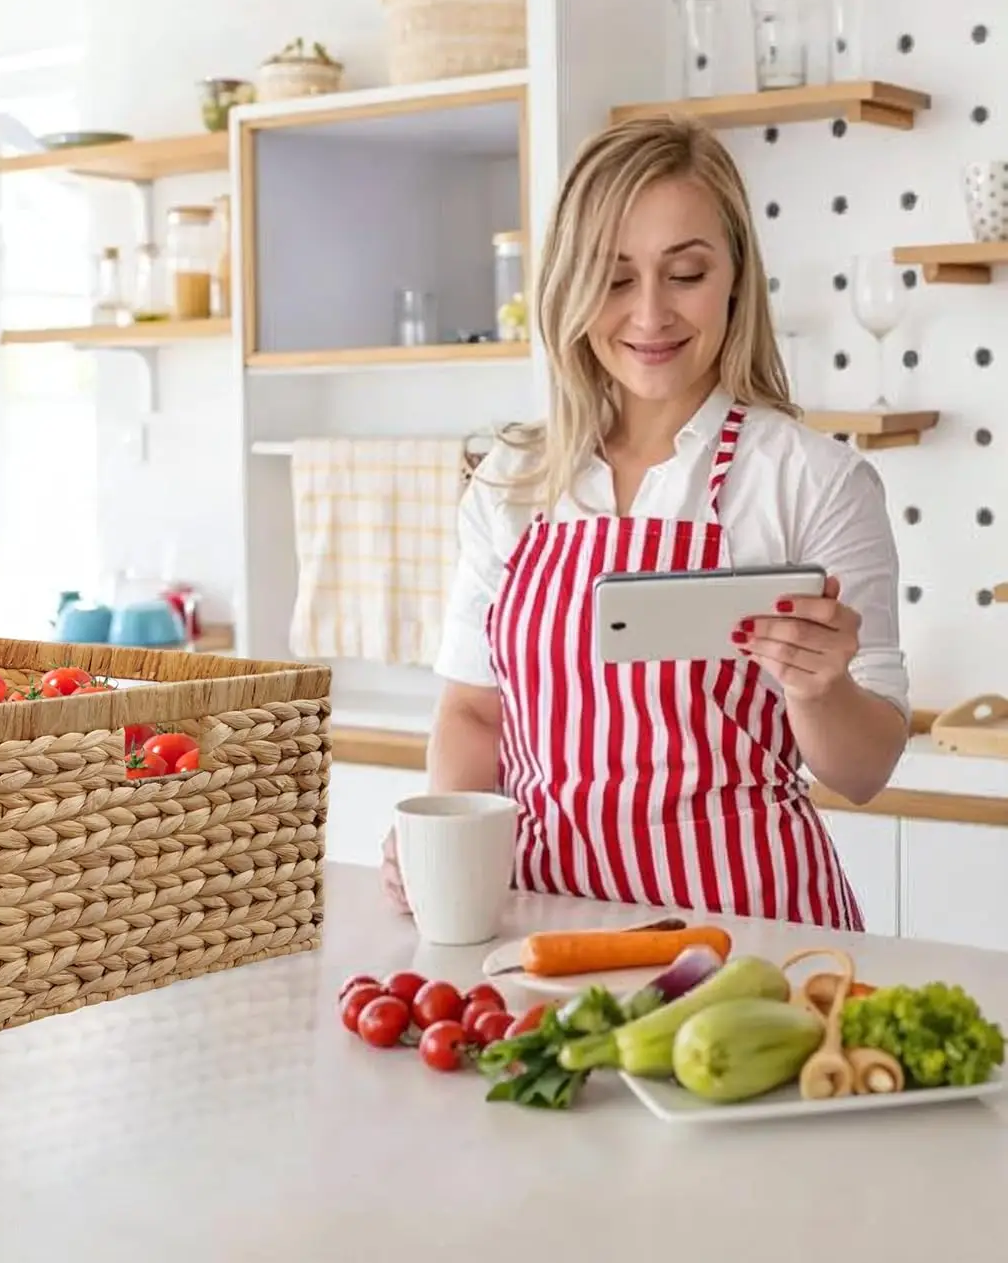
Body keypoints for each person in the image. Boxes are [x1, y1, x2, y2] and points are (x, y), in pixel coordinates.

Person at [383, 115, 908, 932]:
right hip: (539, 932)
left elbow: (864, 768)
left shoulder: (813, 480)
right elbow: (474, 712)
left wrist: (822, 686)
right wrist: (447, 844)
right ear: (570, 285)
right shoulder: (512, 480)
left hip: (753, 942)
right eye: (616, 277)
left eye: (686, 273)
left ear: (735, 276)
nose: (651, 314)